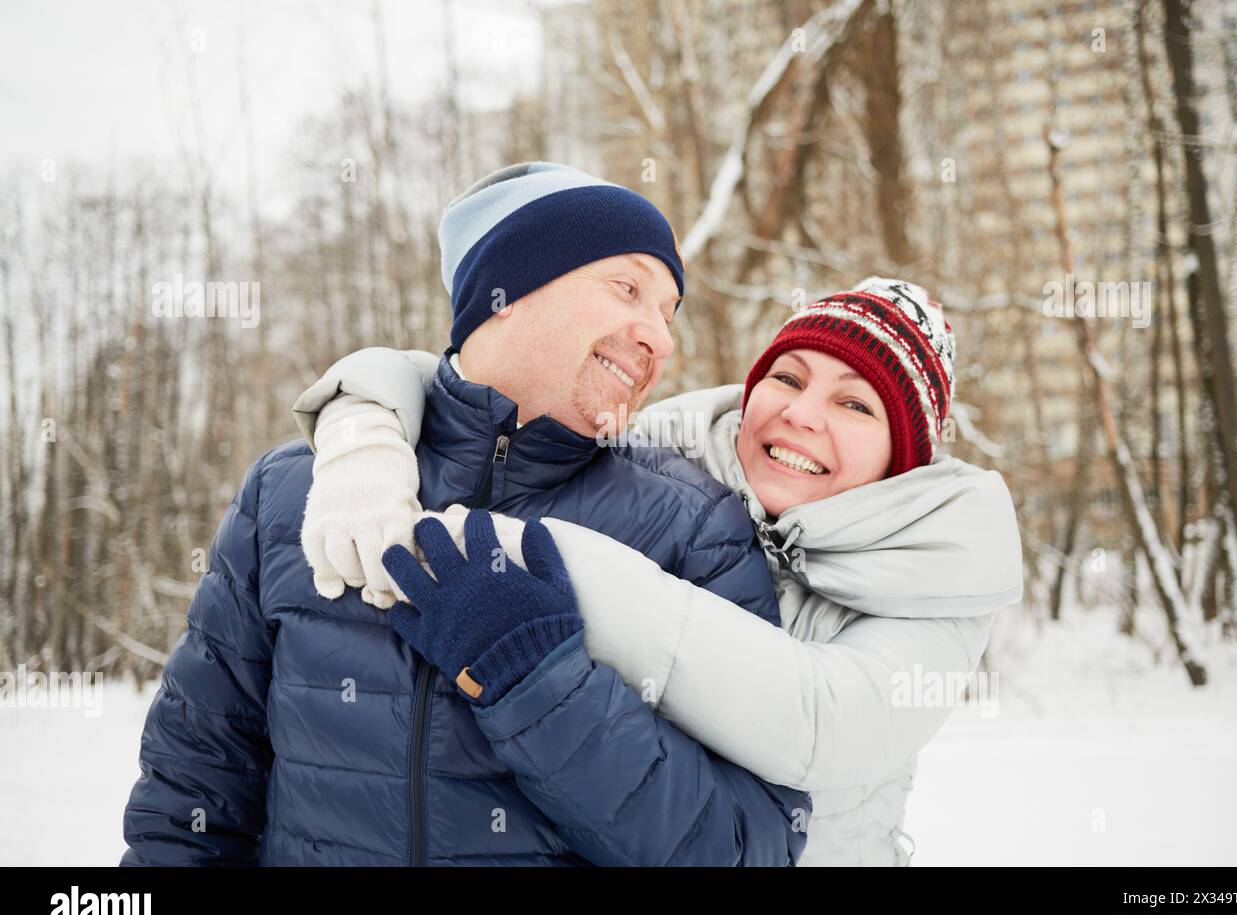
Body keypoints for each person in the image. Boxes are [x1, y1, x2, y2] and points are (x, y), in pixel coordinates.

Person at [121, 161, 810, 867]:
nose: (661, 340)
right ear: (505, 294)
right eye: (628, 289)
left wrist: (541, 685)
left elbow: (751, 845)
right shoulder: (290, 493)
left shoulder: (695, 527)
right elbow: (193, 791)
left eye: (668, 313)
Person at [296, 278, 1024, 866]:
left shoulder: (940, 570)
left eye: (854, 403)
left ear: (903, 456)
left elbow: (817, 721)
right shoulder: (668, 468)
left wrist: (539, 559)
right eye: (787, 377)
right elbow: (482, 397)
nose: (802, 414)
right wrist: (361, 417)